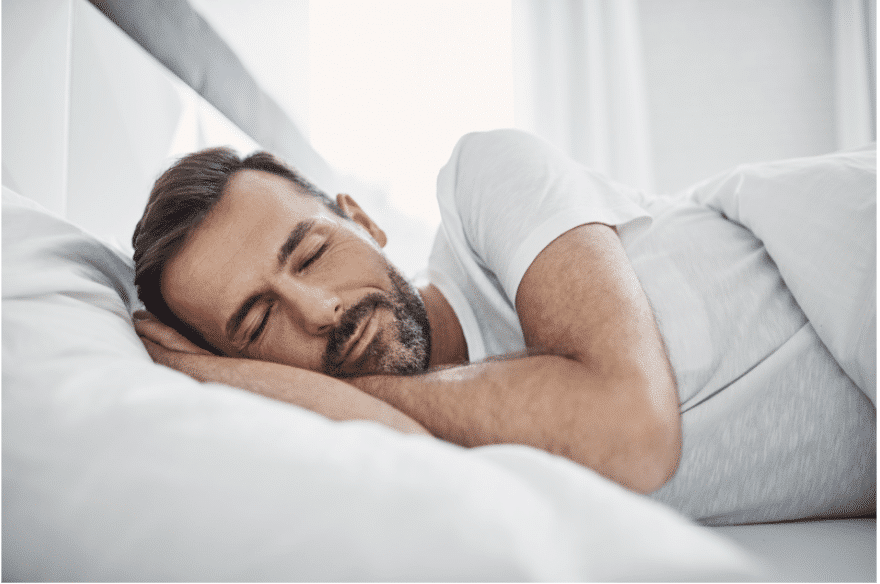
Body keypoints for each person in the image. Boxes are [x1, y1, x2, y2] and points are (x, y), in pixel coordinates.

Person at [132, 130, 875, 514]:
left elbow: (628, 431)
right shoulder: (414, 460)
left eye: (313, 253)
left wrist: (282, 382)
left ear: (362, 220)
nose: (319, 310)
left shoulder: (482, 181)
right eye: (259, 323)